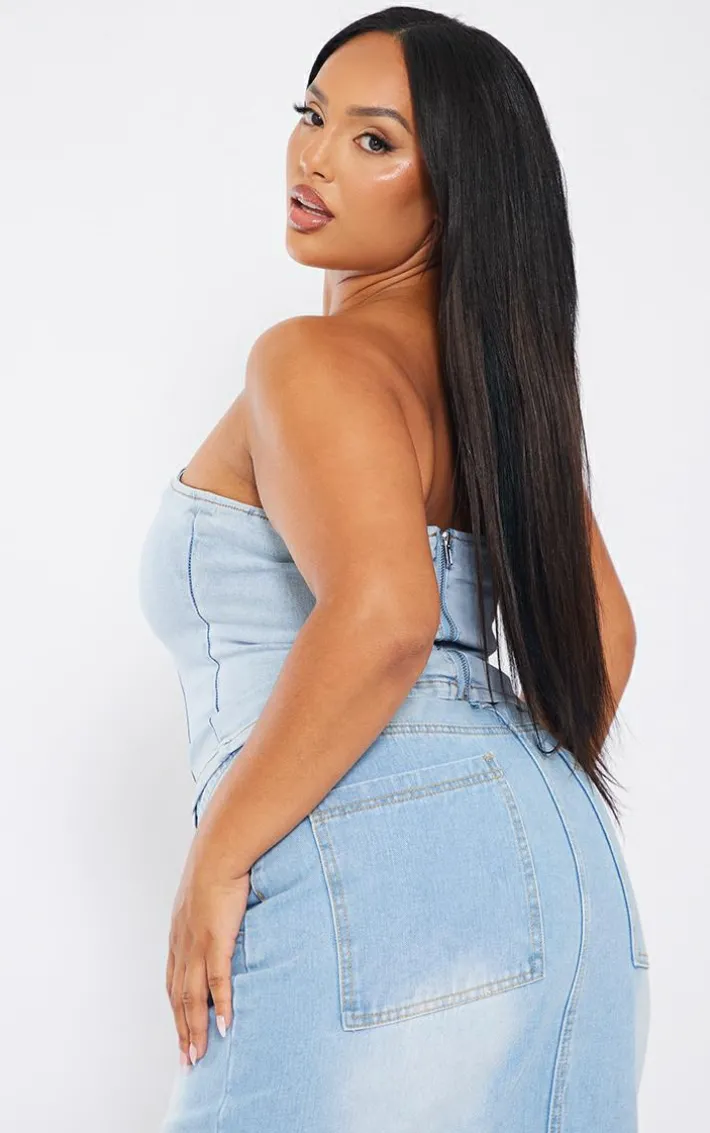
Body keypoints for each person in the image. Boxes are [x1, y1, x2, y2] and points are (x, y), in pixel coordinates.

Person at [138, 7, 651, 1130]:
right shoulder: (499, 395)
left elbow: (383, 615)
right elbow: (605, 633)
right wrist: (492, 802)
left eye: (373, 140)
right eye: (312, 115)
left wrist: (217, 855)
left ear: (455, 189)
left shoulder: (308, 357)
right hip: (568, 872)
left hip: (353, 844)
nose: (315, 157)